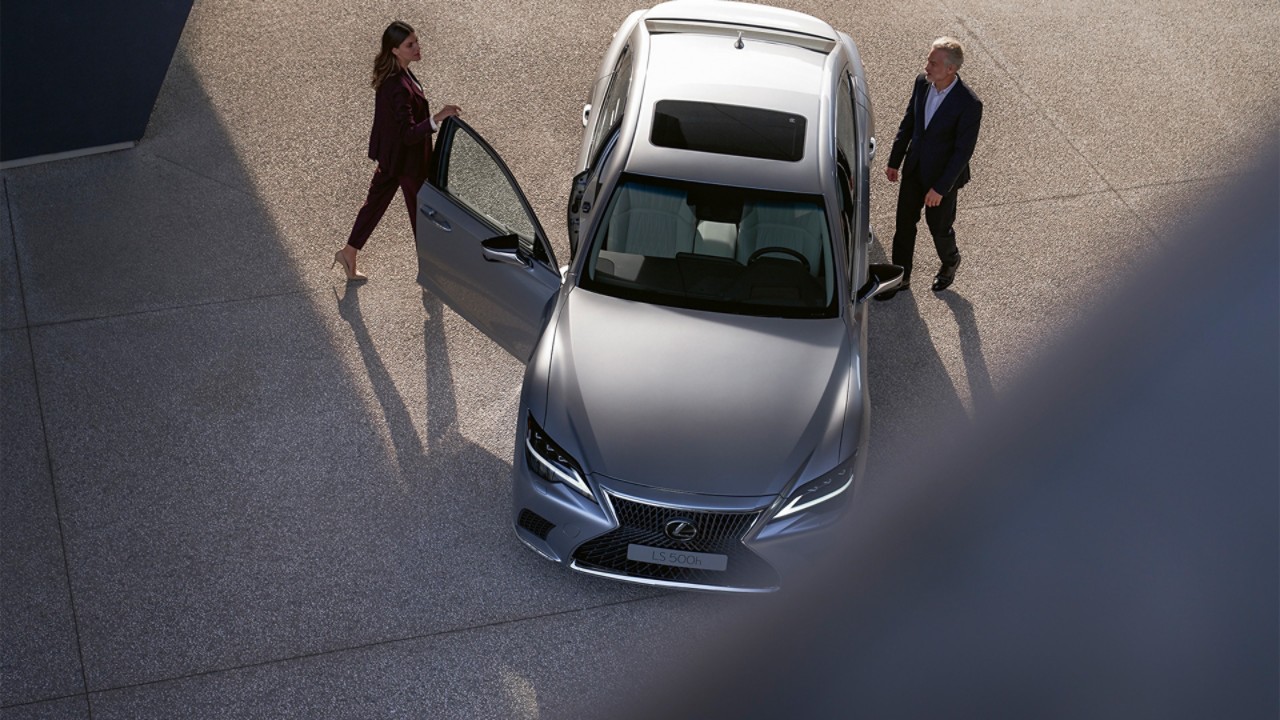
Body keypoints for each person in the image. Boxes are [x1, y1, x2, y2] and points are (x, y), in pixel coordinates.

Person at [333, 21, 461, 281]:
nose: (417, 47)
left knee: (375, 205)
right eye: (409, 44)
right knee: (422, 216)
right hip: (407, 163)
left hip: (393, 159)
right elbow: (407, 133)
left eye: (416, 41)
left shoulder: (400, 75)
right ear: (394, 50)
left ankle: (348, 252)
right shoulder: (398, 87)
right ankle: (432, 270)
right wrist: (437, 119)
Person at [879, 37, 983, 299]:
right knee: (904, 225)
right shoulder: (922, 83)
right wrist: (895, 160)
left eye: (933, 63)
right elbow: (909, 122)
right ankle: (899, 280)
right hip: (914, 169)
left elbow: (962, 153)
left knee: (938, 229)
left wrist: (940, 188)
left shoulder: (969, 104)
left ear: (951, 69)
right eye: (928, 60)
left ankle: (950, 261)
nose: (926, 66)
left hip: (941, 179)